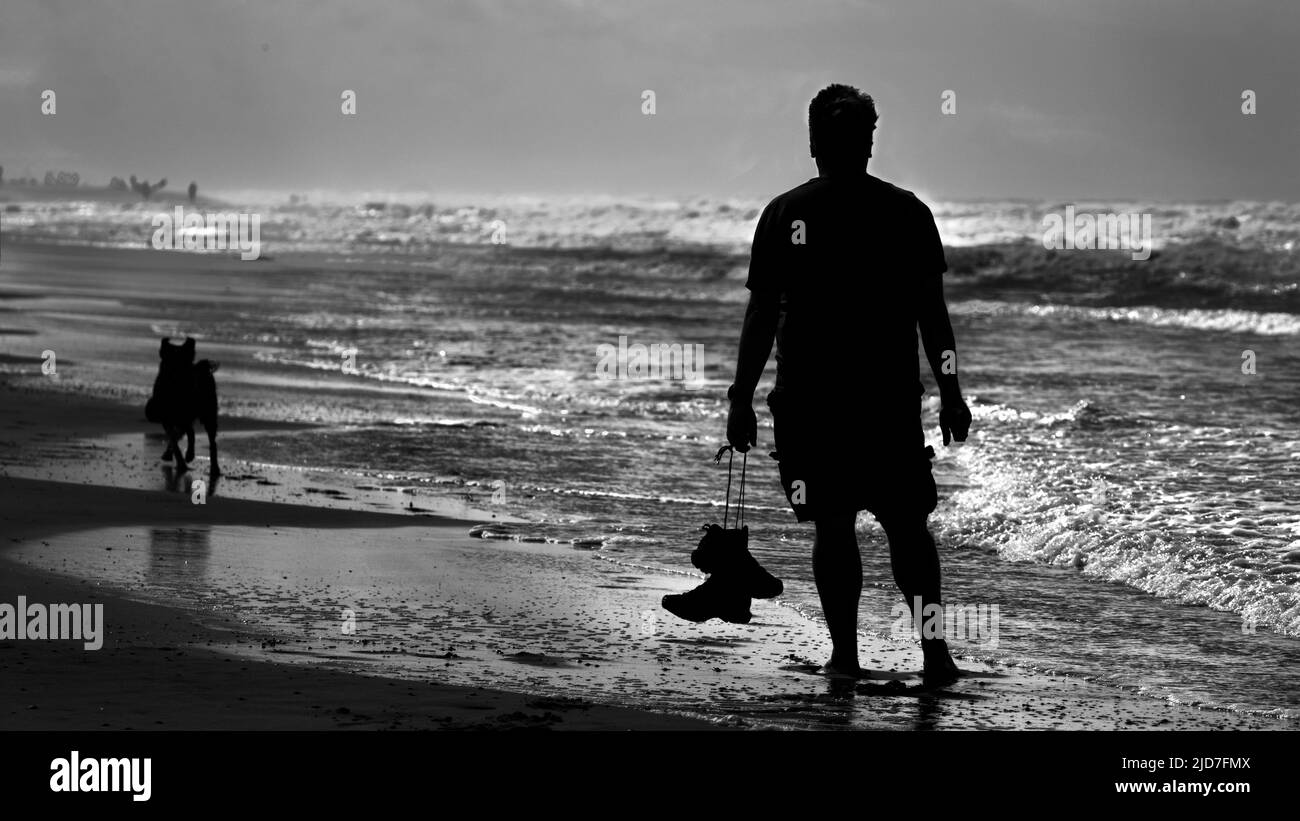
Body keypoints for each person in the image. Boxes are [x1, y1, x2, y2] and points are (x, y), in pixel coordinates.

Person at [726, 83, 971, 685]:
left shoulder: (785, 215)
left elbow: (761, 318)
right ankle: (935, 655)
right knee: (908, 528)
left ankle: (846, 657)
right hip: (886, 401)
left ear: (813, 142)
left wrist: (741, 398)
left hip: (810, 402)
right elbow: (931, 315)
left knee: (834, 526)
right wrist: (951, 390)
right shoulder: (908, 212)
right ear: (868, 142)